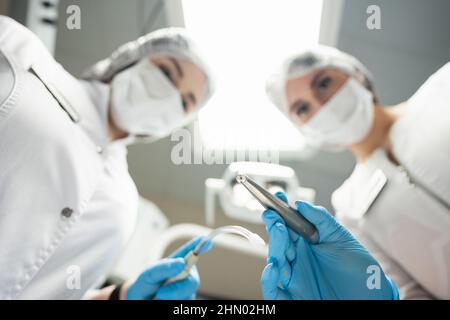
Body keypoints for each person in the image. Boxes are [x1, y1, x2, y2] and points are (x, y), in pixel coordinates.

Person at [0, 16, 213, 299]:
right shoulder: (21, 53)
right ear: (130, 59)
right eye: (167, 72)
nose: (169, 95)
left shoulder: (123, 204)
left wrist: (120, 296)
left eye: (185, 103)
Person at [264, 45, 450, 299]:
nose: (320, 105)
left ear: (355, 74)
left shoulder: (441, 90)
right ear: (304, 131)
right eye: (303, 109)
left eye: (323, 83)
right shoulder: (349, 209)